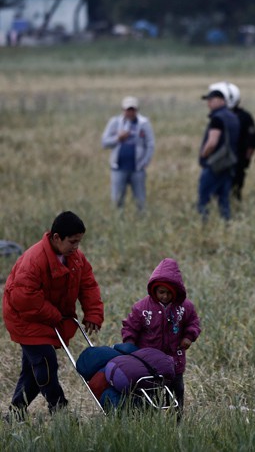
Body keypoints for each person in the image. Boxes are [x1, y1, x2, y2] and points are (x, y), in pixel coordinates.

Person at [3, 211, 104, 420]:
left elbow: (88, 285)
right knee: (46, 363)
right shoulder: (34, 260)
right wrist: (56, 315)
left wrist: (93, 313)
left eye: (79, 242)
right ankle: (60, 410)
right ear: (56, 237)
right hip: (26, 319)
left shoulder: (75, 258)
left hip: (49, 319)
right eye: (72, 242)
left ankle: (14, 415)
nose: (76, 247)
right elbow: (24, 298)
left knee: (32, 372)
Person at [121, 258, 200, 413]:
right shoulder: (142, 308)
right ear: (154, 290)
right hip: (149, 361)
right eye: (161, 292)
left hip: (174, 360)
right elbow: (130, 327)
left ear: (176, 291)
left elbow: (193, 322)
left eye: (169, 293)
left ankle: (176, 419)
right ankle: (152, 418)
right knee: (151, 392)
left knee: (177, 390)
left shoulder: (185, 307)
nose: (164, 296)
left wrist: (189, 337)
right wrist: (130, 346)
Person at [101, 96, 156, 212]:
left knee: (140, 200)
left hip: (137, 169)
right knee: (117, 200)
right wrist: (118, 138)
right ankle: (118, 222)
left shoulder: (144, 123)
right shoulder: (115, 122)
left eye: (132, 110)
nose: (130, 112)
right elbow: (104, 142)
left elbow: (150, 144)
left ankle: (141, 221)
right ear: (123, 110)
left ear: (137, 110)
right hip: (118, 168)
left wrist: (145, 162)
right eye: (128, 110)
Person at [197, 87, 240, 221]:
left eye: (211, 100)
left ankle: (203, 224)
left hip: (214, 164)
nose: (208, 103)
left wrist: (203, 155)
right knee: (224, 198)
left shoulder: (217, 119)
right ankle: (226, 223)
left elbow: (212, 142)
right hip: (228, 164)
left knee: (204, 198)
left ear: (222, 101)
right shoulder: (233, 117)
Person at [219, 82, 255, 202]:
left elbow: (252, 141)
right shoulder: (219, 116)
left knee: (235, 188)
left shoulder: (244, 117)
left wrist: (246, 160)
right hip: (221, 160)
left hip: (238, 159)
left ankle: (233, 208)